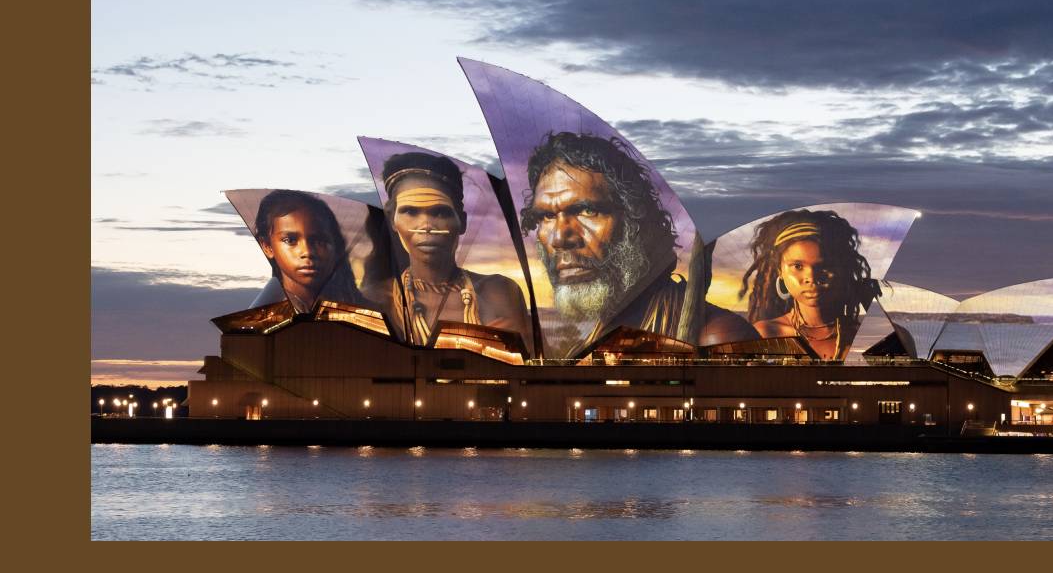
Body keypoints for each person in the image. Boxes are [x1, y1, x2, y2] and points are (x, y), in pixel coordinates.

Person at [519, 131, 753, 357]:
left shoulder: (717, 336)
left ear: (635, 220)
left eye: (587, 210)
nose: (559, 238)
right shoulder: (591, 344)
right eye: (546, 216)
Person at [381, 151, 530, 346]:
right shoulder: (378, 300)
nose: (426, 225)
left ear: (463, 222)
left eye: (440, 212)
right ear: (393, 221)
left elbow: (534, 367)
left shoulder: (500, 293)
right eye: (410, 211)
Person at [739, 210, 880, 361]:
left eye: (825, 266)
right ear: (780, 270)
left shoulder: (860, 336)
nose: (811, 278)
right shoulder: (763, 334)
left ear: (841, 269)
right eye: (798, 266)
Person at [252, 190, 366, 314]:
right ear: (267, 246)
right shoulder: (262, 316)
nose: (307, 252)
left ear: (336, 247)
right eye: (290, 240)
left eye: (319, 241)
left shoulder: (366, 313)